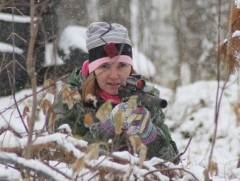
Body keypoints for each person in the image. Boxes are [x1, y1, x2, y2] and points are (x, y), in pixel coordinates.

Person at [54, 22, 179, 163]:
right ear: (92, 69)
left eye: (122, 66)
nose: (114, 75)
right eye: (104, 66)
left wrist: (150, 136)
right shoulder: (71, 99)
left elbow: (173, 163)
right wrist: (107, 128)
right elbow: (63, 157)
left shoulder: (145, 98)